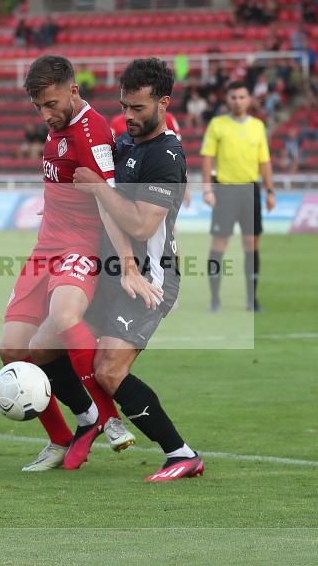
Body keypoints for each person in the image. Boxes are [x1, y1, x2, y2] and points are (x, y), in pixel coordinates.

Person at [0, 55, 139, 472]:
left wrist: (127, 262)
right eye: (39, 107)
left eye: (52, 104)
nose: (46, 114)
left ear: (74, 91)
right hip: (45, 248)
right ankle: (63, 435)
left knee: (64, 315)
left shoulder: (92, 130)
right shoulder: (58, 123)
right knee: (12, 350)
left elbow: (110, 201)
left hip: (81, 246)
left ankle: (109, 417)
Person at [72, 58, 202, 482]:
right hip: (115, 272)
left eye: (139, 108)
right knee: (56, 338)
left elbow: (143, 224)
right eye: (125, 106)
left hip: (151, 280)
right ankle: (88, 423)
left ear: (164, 103)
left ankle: (180, 453)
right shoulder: (126, 145)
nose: (128, 116)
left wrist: (96, 186)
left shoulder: (166, 157)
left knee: (109, 369)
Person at [200, 80, 275, 313]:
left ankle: (252, 300)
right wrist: (207, 188)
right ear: (227, 99)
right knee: (219, 243)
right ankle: (215, 299)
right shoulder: (217, 124)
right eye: (233, 97)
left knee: (251, 243)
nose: (238, 101)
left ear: (249, 99)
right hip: (224, 190)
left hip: (250, 190)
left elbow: (265, 161)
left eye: (242, 97)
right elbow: (207, 158)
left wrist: (270, 191)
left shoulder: (258, 126)